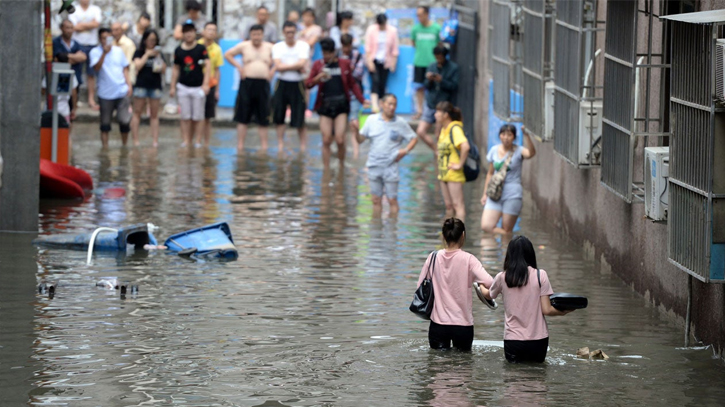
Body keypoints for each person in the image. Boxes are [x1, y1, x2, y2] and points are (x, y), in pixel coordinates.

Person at [480, 235, 575, 363]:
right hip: (538, 340)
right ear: (531, 254)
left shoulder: (502, 277)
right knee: (537, 378)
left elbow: (489, 295)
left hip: (513, 340)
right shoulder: (540, 275)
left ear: (510, 255)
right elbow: (547, 310)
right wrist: (563, 312)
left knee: (513, 378)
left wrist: (480, 285)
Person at [417, 218, 494, 351]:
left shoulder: (433, 258)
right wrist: (479, 286)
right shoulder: (469, 260)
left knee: (438, 365)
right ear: (463, 235)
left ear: (444, 236)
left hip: (438, 324)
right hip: (462, 325)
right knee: (463, 367)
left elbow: (420, 287)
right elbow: (491, 283)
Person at [307, 37, 366, 167]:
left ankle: (341, 165)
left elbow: (352, 84)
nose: (326, 56)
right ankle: (326, 169)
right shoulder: (318, 65)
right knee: (326, 139)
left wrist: (362, 100)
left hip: (341, 105)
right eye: (324, 53)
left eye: (328, 53)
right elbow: (308, 84)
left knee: (340, 139)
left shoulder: (344, 64)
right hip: (325, 105)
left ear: (334, 52)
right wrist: (318, 78)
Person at [355, 94, 417, 216]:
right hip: (374, 165)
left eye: (394, 104)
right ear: (381, 104)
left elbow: (414, 138)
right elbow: (360, 140)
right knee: (376, 200)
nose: (392, 107)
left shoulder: (400, 122)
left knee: (392, 199)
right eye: (389, 104)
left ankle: (392, 230)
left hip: (391, 166)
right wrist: (354, 131)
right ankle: (376, 228)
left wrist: (405, 151)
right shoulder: (372, 120)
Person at [224, 24, 274, 151]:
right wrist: (239, 67)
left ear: (263, 35)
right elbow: (228, 55)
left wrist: (273, 71)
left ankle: (264, 147)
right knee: (243, 116)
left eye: (259, 34)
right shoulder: (244, 46)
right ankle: (240, 145)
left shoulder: (270, 47)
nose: (256, 37)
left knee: (263, 116)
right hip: (247, 83)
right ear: (250, 35)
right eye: (254, 34)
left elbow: (281, 60)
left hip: (263, 83)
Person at [480, 124, 536, 234]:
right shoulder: (494, 150)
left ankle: (505, 248)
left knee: (507, 228)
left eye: (509, 135)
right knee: (486, 226)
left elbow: (531, 153)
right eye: (503, 134)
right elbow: (490, 173)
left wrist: (526, 136)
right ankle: (501, 243)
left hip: (513, 194)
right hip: (495, 193)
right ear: (500, 136)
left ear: (514, 137)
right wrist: (485, 193)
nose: (506, 137)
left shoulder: (519, 151)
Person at [90, 27, 133, 148]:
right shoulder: (95, 52)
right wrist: (104, 53)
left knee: (124, 121)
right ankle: (105, 147)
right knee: (105, 124)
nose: (105, 40)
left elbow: (125, 68)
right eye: (103, 38)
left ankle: (124, 146)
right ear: (99, 39)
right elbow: (96, 68)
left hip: (121, 90)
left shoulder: (118, 51)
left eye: (107, 38)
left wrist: (129, 85)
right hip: (105, 93)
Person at [170, 20, 210, 148]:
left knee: (198, 116)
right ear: (182, 34)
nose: (188, 35)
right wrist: (172, 86)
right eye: (186, 32)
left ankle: (198, 140)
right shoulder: (178, 50)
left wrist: (206, 84)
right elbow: (175, 69)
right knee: (185, 116)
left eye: (191, 32)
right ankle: (186, 140)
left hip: (198, 86)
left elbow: (208, 66)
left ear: (195, 33)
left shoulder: (201, 48)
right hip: (183, 86)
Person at [272, 21, 310, 152]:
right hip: (282, 82)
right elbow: (278, 66)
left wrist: (285, 67)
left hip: (297, 83)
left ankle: (303, 146)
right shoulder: (278, 47)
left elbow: (302, 63)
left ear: (296, 33)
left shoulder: (303, 46)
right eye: (287, 32)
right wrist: (296, 66)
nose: (290, 35)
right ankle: (280, 144)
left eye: (292, 32)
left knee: (299, 115)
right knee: (279, 115)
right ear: (283, 33)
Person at [418, 45, 459, 152]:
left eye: (440, 57)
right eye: (436, 57)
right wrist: (429, 79)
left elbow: (454, 86)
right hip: (430, 103)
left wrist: (442, 81)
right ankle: (436, 150)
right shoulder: (432, 66)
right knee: (420, 131)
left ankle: (441, 154)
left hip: (443, 105)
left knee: (438, 134)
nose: (438, 59)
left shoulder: (453, 68)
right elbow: (426, 85)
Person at [131, 29, 166, 147]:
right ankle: (136, 140)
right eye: (150, 40)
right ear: (145, 40)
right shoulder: (139, 52)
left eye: (154, 40)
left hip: (155, 85)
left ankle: (155, 141)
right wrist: (147, 54)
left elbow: (164, 69)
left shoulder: (159, 53)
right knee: (137, 112)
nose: (152, 42)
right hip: (141, 85)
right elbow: (138, 65)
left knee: (155, 114)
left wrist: (159, 57)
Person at [436, 102, 469, 220]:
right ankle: (448, 235)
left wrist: (460, 164)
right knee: (449, 207)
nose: (435, 115)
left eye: (438, 112)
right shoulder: (444, 129)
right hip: (444, 173)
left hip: (453, 173)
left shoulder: (454, 128)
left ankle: (460, 236)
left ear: (445, 115)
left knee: (458, 206)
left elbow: (465, 146)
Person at [68, 0, 102, 110]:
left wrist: (81, 25)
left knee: (91, 74)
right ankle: (75, 99)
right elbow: (74, 27)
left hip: (92, 44)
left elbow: (96, 24)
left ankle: (91, 99)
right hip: (78, 45)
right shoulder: (74, 9)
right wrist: (90, 24)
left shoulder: (95, 9)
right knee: (75, 72)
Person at [364, 14, 399, 113]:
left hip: (386, 61)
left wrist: (393, 63)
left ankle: (382, 105)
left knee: (382, 84)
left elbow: (395, 49)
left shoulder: (392, 31)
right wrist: (369, 62)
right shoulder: (371, 30)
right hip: (374, 59)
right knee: (375, 81)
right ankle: (374, 106)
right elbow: (368, 48)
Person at [411, 6, 441, 120]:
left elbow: (439, 44)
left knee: (433, 87)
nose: (419, 17)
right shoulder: (415, 29)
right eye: (417, 15)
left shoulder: (436, 28)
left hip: (432, 63)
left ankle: (434, 111)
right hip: (419, 62)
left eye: (420, 15)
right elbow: (413, 43)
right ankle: (420, 111)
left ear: (427, 14)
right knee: (419, 87)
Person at [339, 33, 365, 159]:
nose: (346, 49)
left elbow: (357, 75)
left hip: (354, 94)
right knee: (341, 124)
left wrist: (345, 72)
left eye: (348, 46)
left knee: (354, 122)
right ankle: (342, 152)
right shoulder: (337, 56)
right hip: (340, 94)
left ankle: (356, 153)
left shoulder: (358, 55)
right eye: (344, 46)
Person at [199, 22, 224, 147]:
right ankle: (194, 141)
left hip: (210, 84)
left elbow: (218, 70)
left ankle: (206, 143)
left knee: (208, 116)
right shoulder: (196, 45)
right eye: (209, 29)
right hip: (196, 83)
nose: (211, 32)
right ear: (203, 31)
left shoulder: (217, 49)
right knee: (195, 116)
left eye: (214, 30)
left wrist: (217, 90)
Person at [42, 53, 79, 128]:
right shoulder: (71, 75)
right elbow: (74, 93)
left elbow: (43, 91)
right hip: (63, 109)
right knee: (65, 135)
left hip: (53, 108)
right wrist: (74, 108)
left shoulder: (50, 74)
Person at [53, 19, 87, 88]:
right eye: (67, 28)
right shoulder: (55, 42)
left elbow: (83, 57)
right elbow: (58, 58)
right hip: (60, 80)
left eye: (71, 28)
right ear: (61, 28)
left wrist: (65, 56)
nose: (70, 31)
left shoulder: (76, 43)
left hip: (76, 79)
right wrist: (76, 57)